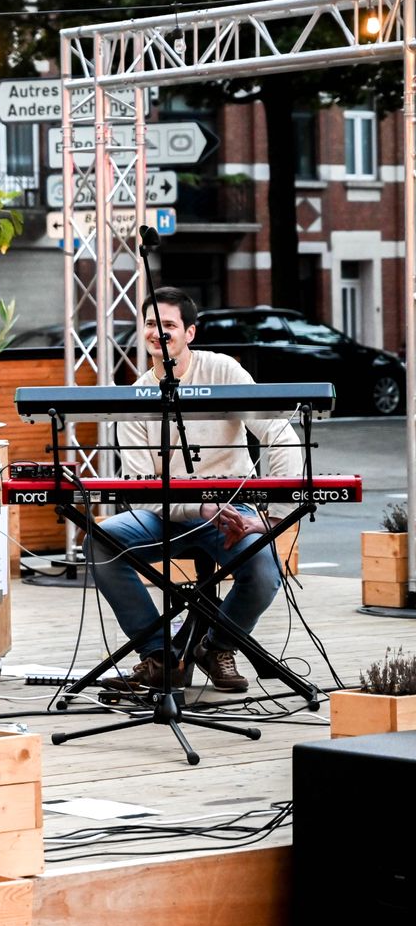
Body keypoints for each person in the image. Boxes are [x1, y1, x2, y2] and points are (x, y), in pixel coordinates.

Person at [87, 286, 302, 693]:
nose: (158, 333)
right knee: (100, 542)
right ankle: (160, 656)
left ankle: (215, 646)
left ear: (190, 332)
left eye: (168, 324)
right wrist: (199, 507)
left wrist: (272, 518)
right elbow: (143, 491)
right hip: (167, 516)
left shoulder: (223, 371)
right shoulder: (136, 398)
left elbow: (281, 435)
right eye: (151, 324)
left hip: (233, 513)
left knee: (263, 571)